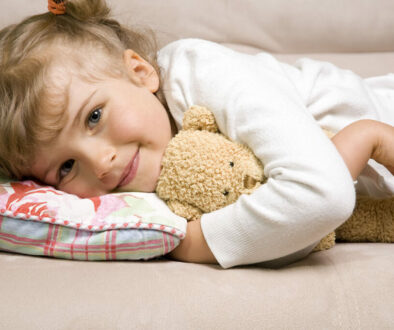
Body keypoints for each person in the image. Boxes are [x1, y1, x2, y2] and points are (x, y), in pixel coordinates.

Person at [1, 0, 394, 268]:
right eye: (66, 167)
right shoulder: (136, 202)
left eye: (94, 117)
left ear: (140, 73)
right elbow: (298, 227)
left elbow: (321, 198)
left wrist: (195, 243)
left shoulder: (202, 72)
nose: (100, 163)